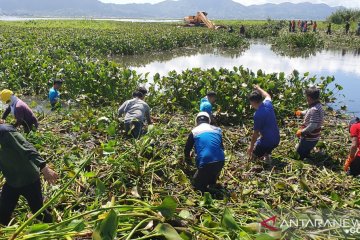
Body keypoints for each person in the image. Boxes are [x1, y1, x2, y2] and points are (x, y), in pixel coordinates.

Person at [0, 123, 58, 226]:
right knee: (3, 212)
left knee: (38, 212)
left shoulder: (5, 132)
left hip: (29, 179)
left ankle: (54, 226)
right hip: (12, 181)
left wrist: (44, 167)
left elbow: (26, 147)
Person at [184, 112, 225, 192]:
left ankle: (211, 192)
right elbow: (221, 147)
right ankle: (212, 180)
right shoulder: (217, 130)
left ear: (196, 122)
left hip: (206, 161)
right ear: (208, 121)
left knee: (196, 186)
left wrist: (188, 161)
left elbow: (187, 149)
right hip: (221, 161)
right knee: (210, 178)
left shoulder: (194, 131)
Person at [247, 85, 280, 164]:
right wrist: (258, 88)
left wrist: (251, 147)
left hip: (267, 142)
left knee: (252, 158)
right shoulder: (268, 103)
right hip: (276, 140)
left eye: (251, 103)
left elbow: (255, 134)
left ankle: (257, 158)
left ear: (253, 102)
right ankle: (267, 156)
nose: (251, 104)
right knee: (263, 145)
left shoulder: (257, 115)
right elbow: (267, 95)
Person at [295, 86, 325, 159]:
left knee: (299, 153)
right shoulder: (318, 105)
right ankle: (307, 151)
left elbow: (312, 126)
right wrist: (301, 113)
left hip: (309, 138)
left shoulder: (314, 110)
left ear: (309, 98)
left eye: (306, 97)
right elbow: (309, 111)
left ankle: (306, 156)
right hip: (314, 137)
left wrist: (302, 132)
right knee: (303, 148)